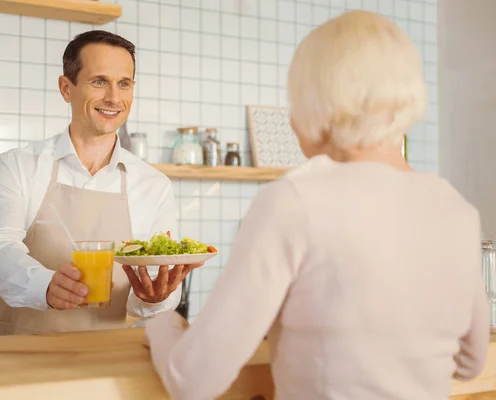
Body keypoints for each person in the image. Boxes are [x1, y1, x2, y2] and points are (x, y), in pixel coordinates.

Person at [145, 10, 490, 399]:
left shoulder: (292, 200)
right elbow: (469, 362)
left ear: (319, 103)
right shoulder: (457, 210)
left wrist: (161, 322)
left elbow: (191, 380)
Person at [0, 30, 201, 335]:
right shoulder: (18, 165)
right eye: (99, 81)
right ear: (66, 88)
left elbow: (150, 288)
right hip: (20, 355)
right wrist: (44, 286)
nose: (114, 98)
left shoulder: (153, 186)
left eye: (124, 83)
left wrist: (156, 298)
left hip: (107, 360)